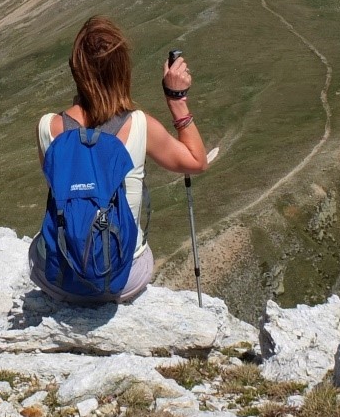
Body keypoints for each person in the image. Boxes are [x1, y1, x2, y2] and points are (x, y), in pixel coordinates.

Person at [30, 15, 209, 304]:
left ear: (76, 69)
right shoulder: (140, 125)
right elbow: (197, 162)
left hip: (61, 280)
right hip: (121, 280)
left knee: (40, 245)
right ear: (122, 71)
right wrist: (176, 99)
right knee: (141, 252)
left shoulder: (48, 127)